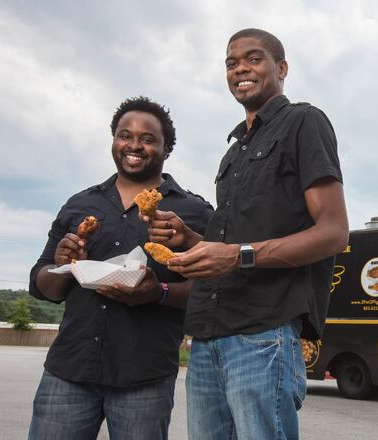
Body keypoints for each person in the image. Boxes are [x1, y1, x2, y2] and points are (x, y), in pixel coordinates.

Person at [149, 28, 348, 439]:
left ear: (281, 68)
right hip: (206, 335)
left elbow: (333, 232)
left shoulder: (303, 122)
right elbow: (227, 248)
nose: (240, 67)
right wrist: (188, 238)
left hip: (264, 332)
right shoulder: (233, 151)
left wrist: (238, 255)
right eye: (231, 62)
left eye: (253, 59)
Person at [27, 96, 214, 439]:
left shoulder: (193, 213)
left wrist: (158, 292)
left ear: (166, 149)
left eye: (147, 139)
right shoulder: (80, 204)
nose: (134, 145)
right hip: (68, 370)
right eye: (125, 135)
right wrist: (62, 265)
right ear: (114, 141)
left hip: (144, 377)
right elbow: (44, 286)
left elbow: (212, 292)